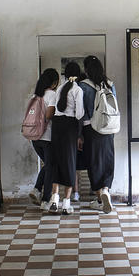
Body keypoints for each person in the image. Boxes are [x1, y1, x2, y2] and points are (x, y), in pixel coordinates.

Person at [80, 56, 117, 214]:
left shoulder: (83, 86)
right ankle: (106, 191)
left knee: (94, 163)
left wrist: (80, 135)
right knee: (108, 161)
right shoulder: (109, 83)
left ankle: (100, 199)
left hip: (91, 129)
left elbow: (81, 113)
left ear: (86, 69)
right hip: (108, 128)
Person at [47, 62, 84, 215]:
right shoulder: (77, 90)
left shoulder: (60, 88)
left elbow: (54, 108)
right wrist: (80, 133)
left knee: (56, 161)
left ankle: (54, 199)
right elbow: (79, 113)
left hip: (56, 125)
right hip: (70, 126)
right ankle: (66, 204)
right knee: (69, 162)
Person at [27, 68, 58, 209]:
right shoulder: (52, 94)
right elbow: (49, 115)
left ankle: (37, 189)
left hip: (34, 137)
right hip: (47, 136)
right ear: (54, 82)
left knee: (48, 165)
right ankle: (45, 200)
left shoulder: (35, 95)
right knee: (51, 167)